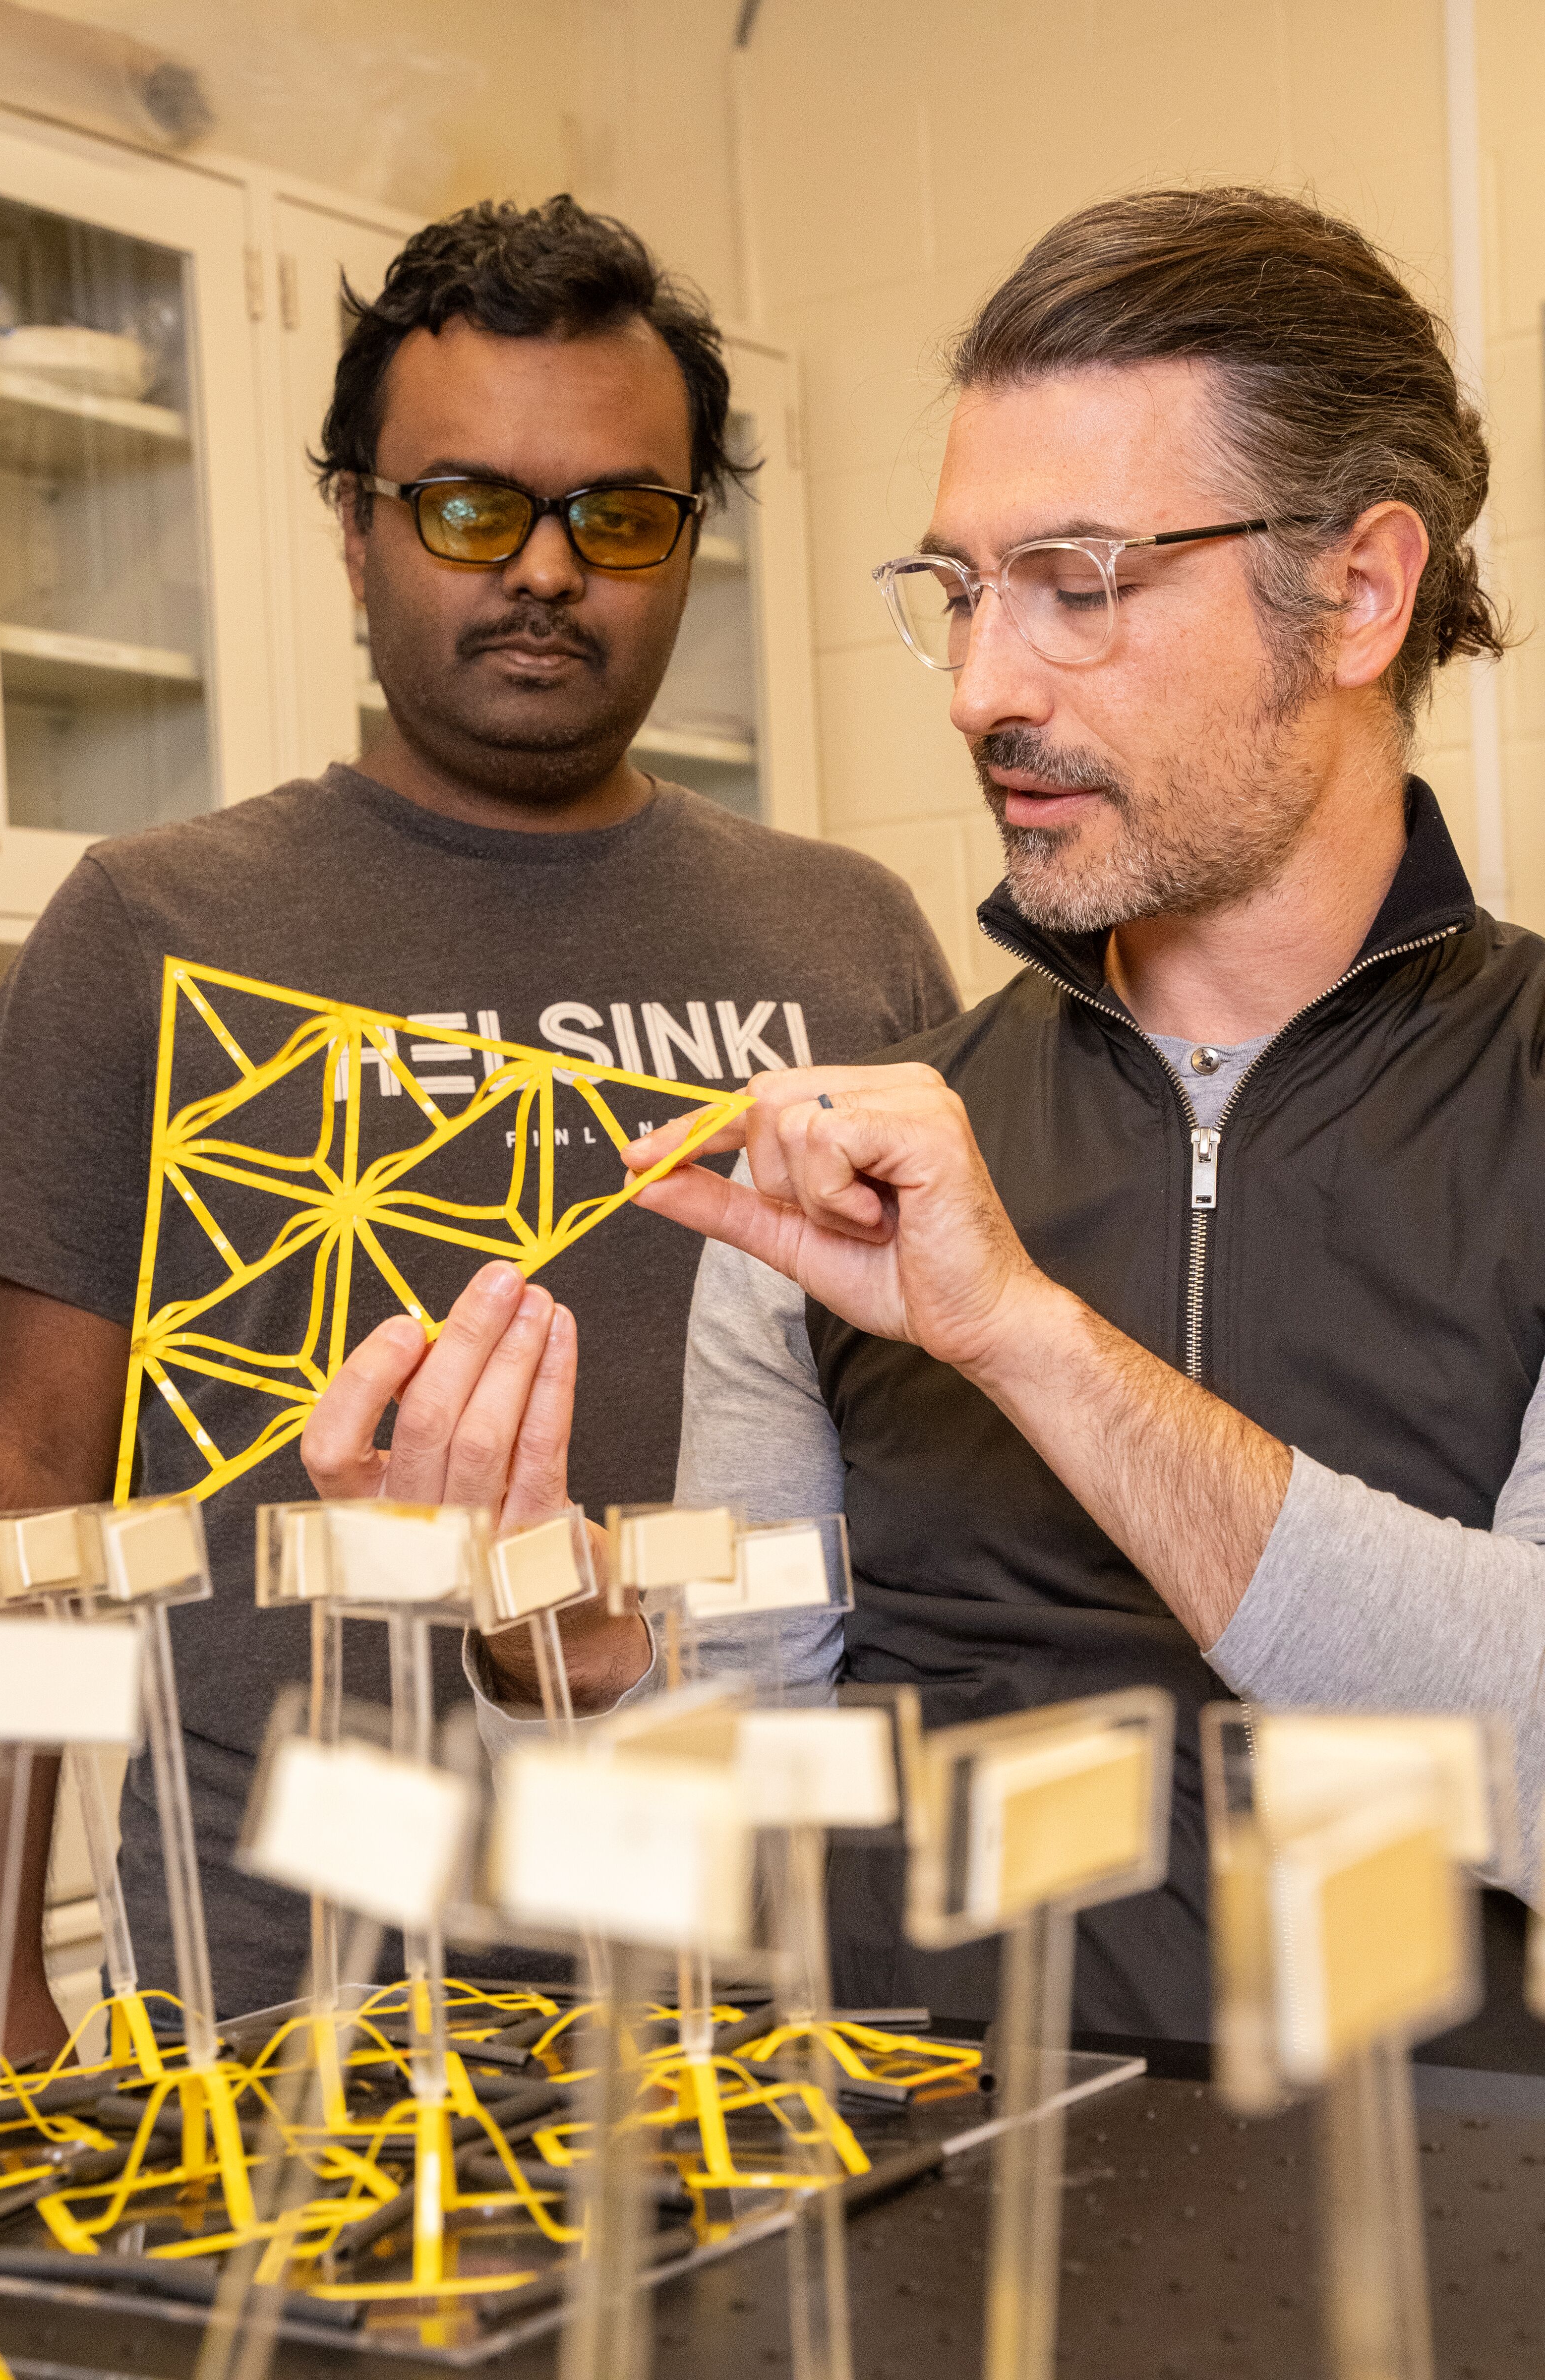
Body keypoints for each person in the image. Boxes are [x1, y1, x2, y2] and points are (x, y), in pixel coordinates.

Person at [319, 185, 1545, 2048]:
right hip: (926, 2231)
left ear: (1362, 590)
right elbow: (716, 1862)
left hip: (1438, 2251)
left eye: (1082, 584)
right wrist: (553, 1635)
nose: (983, 689)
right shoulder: (855, 1175)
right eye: (962, 592)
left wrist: (1024, 1340)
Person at [0, 194, 957, 2048]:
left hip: (763, 1972)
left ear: (682, 546)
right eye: (470, 506)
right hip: (301, 1999)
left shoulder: (850, 938)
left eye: (621, 515)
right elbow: (4, 1499)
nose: (548, 571)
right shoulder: (154, 926)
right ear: (356, 530)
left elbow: (932, 1488)